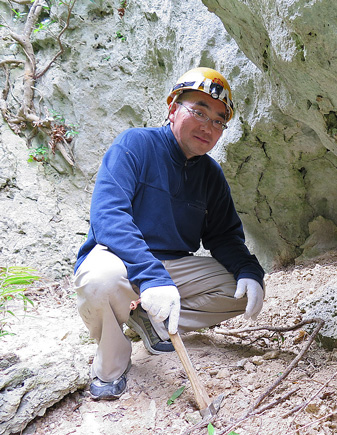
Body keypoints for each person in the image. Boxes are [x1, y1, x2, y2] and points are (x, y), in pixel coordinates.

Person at [73, 67, 265, 401]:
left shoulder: (210, 175)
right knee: (100, 281)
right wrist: (152, 278)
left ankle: (149, 320)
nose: (208, 126)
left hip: (172, 268)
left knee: (239, 288)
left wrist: (250, 271)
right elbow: (108, 217)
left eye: (219, 121)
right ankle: (111, 363)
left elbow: (223, 236)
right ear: (173, 109)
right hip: (118, 260)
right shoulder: (135, 145)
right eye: (199, 112)